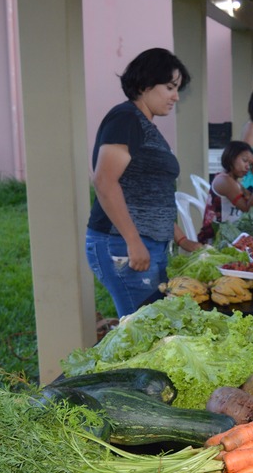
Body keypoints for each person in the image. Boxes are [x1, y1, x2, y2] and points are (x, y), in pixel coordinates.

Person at [84, 47, 201, 318]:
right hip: (122, 244)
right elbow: (104, 181)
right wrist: (133, 240)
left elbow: (150, 196)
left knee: (156, 327)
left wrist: (181, 239)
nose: (175, 97)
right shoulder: (126, 118)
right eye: (170, 87)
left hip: (149, 244)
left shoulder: (144, 124)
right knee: (145, 331)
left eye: (178, 89)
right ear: (146, 84)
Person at [198, 141, 253, 242]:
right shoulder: (224, 180)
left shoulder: (235, 182)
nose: (248, 166)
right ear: (231, 158)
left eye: (250, 163)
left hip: (232, 235)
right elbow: (250, 209)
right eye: (244, 161)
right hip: (217, 239)